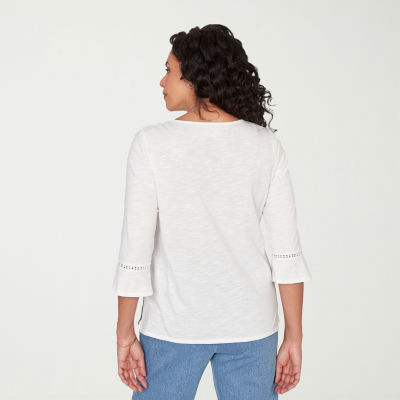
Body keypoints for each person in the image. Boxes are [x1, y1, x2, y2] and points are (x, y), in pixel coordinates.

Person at [112, 24, 312, 400]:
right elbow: (287, 254)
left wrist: (124, 334)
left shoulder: (152, 144)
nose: (162, 81)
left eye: (169, 70)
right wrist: (293, 336)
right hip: (252, 327)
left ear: (195, 77)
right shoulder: (265, 145)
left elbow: (135, 251)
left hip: (173, 326)